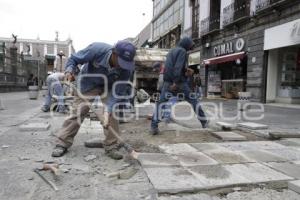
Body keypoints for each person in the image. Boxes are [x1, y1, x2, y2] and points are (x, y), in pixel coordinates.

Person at [51, 41, 136, 160]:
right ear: (114, 54)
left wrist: (107, 111)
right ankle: (62, 142)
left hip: (109, 87)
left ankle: (111, 145)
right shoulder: (97, 49)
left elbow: (117, 91)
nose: (123, 66)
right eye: (121, 62)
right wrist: (69, 71)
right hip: (88, 83)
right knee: (78, 111)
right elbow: (74, 59)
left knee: (112, 114)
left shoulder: (127, 69)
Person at [150, 37, 209, 135]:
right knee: (193, 100)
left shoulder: (171, 52)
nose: (190, 49)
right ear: (186, 44)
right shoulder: (182, 51)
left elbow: (172, 67)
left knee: (160, 104)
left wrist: (186, 70)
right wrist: (176, 82)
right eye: (190, 46)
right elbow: (177, 68)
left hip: (167, 82)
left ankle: (153, 126)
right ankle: (204, 122)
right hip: (178, 83)